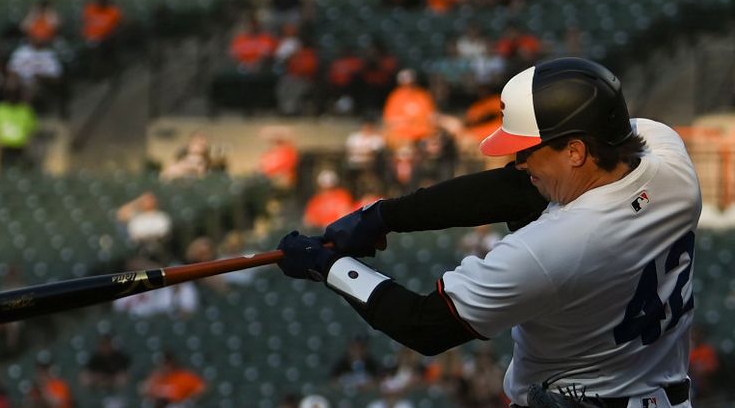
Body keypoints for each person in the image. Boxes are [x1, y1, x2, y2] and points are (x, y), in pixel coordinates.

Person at [276, 57, 699, 407]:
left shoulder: (550, 247)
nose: (518, 161)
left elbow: (426, 327)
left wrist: (328, 266)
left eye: (527, 150)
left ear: (575, 151)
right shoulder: (668, 156)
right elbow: (515, 190)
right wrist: (385, 216)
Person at [0, 83, 40, 171]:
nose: (12, 96)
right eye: (10, 94)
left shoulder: (26, 110)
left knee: (22, 172)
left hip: (21, 149)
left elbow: (34, 129)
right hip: (5, 148)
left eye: (15, 94)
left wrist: (30, 142)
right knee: (3, 172)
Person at [141, 351, 207, 407]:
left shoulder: (184, 376)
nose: (166, 366)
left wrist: (189, 400)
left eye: (167, 363)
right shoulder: (157, 377)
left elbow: (202, 387)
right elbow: (143, 390)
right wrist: (155, 377)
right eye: (164, 363)